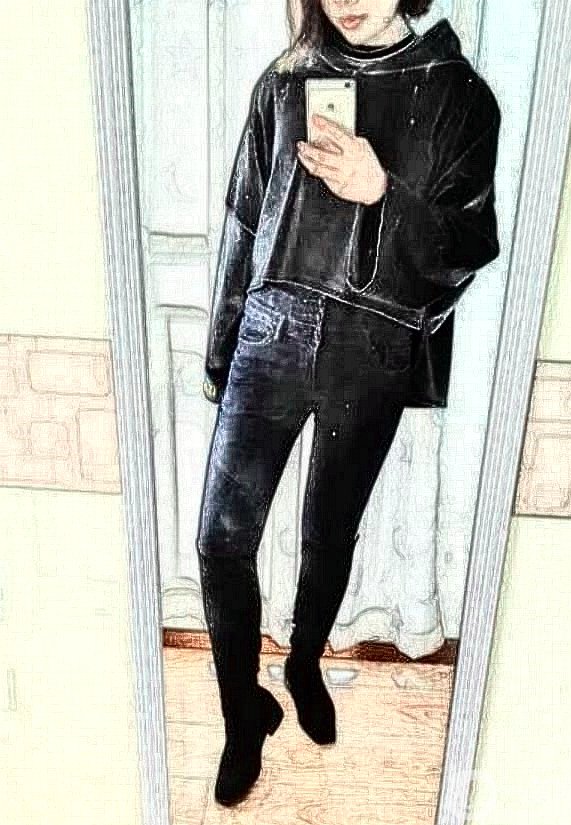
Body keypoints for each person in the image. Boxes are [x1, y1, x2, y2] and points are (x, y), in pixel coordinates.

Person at [195, 0, 501, 807]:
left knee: (328, 532)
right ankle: (241, 715)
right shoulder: (283, 81)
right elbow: (242, 221)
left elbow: (470, 243)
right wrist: (223, 346)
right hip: (270, 329)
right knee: (220, 539)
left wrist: (382, 193)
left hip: (369, 347)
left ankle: (302, 661)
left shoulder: (459, 93)